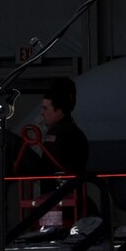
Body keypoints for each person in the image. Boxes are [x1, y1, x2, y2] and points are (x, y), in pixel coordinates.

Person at [32, 79, 90, 231]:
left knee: (53, 233)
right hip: (58, 193)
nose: (42, 113)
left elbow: (47, 163)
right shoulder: (70, 130)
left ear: (58, 111)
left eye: (45, 109)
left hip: (56, 195)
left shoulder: (58, 132)